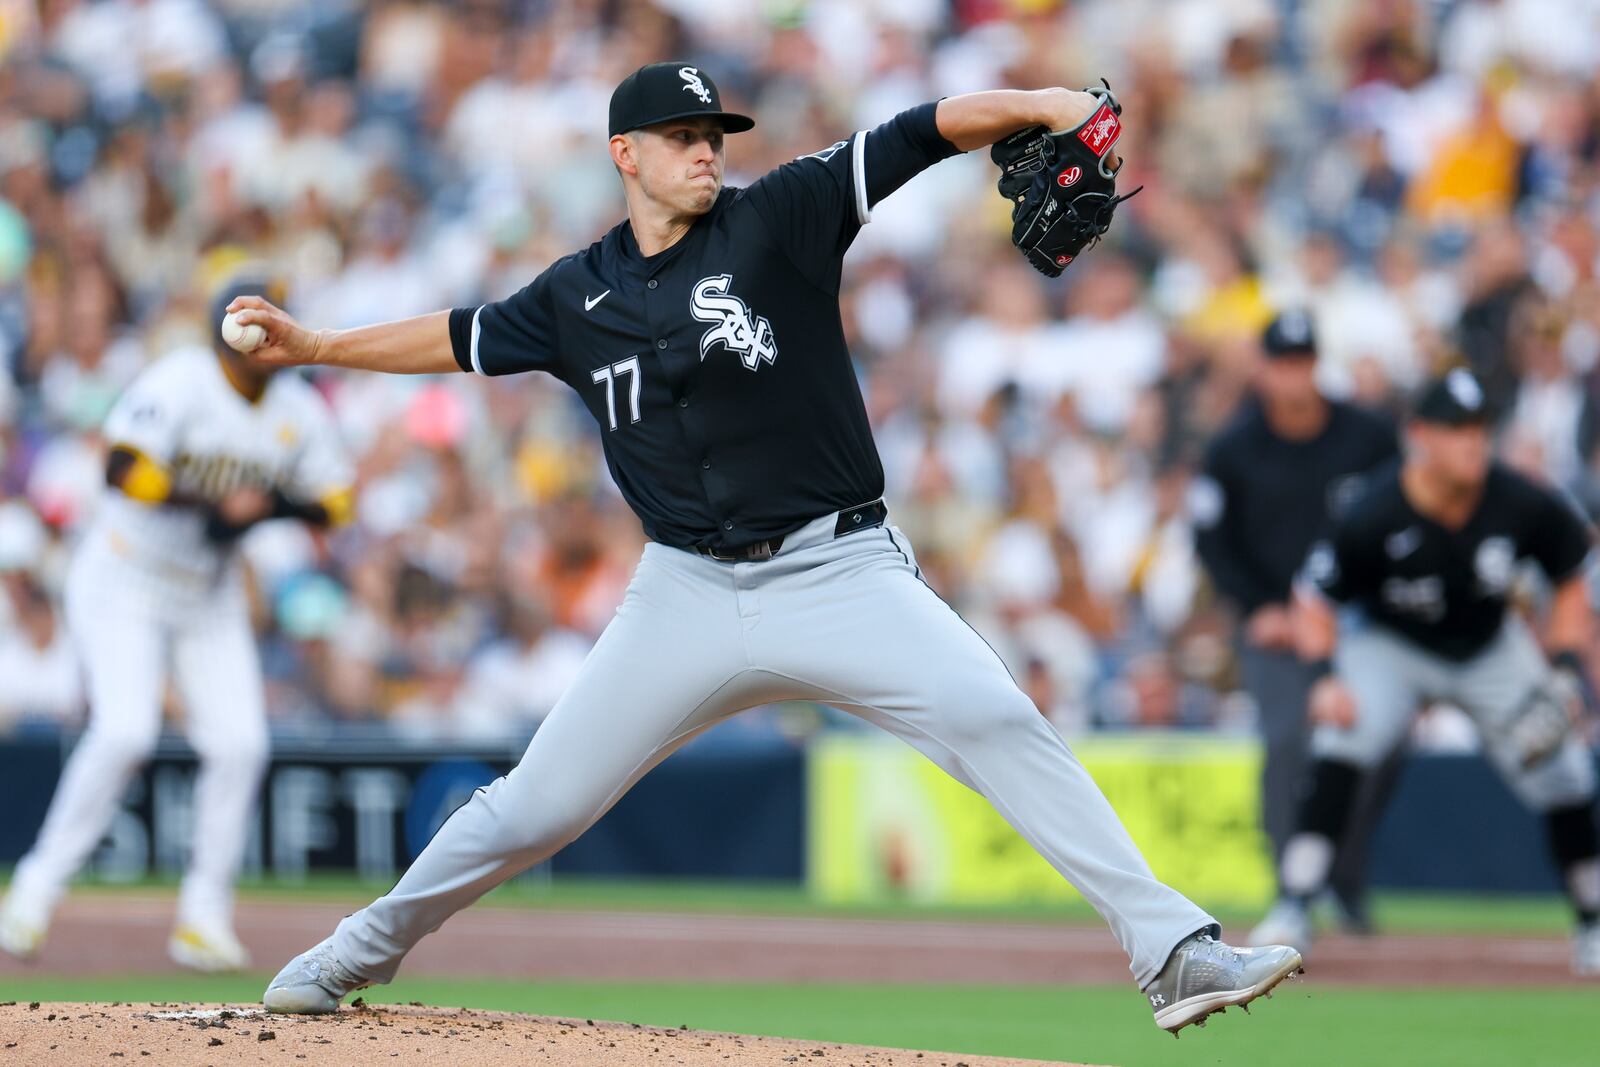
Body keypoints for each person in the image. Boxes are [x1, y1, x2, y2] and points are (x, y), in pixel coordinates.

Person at [237, 62, 1301, 1033]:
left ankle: (1172, 951)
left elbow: (917, 130)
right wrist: (319, 345)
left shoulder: (781, 214)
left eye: (714, 132)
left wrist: (1035, 107)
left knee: (991, 713)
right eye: (681, 133)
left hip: (837, 569)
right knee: (534, 804)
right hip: (683, 592)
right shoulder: (575, 295)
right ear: (625, 154)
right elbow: (460, 336)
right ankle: (353, 950)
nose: (706, 149)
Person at [0, 271, 354, 972]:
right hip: (124, 574)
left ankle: (203, 916)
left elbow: (336, 501)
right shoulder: (186, 380)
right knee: (126, 729)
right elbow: (123, 467)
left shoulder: (296, 407)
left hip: (208, 591)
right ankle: (33, 893)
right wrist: (217, 507)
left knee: (242, 743)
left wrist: (272, 505)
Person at [1249, 369, 1600, 976]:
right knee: (1345, 732)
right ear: (1419, 436)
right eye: (1456, 430)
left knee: (1564, 768)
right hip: (1394, 644)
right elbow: (1314, 599)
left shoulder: (1520, 499)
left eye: (1480, 430)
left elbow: (1571, 574)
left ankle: (1593, 919)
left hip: (1489, 645)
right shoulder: (1374, 507)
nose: (1473, 443)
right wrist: (1325, 677)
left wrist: (1568, 669)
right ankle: (1296, 900)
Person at [1193, 311, 1400, 929]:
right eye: (1282, 363)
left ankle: (1343, 878)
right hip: (1277, 622)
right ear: (1263, 369)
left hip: (1358, 621)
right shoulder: (1232, 448)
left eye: (1303, 362)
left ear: (1316, 364)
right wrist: (1260, 607)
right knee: (1287, 742)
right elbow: (1212, 540)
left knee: (1376, 746)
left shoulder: (1368, 437)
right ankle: (1294, 893)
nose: (1293, 376)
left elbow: (1399, 517)